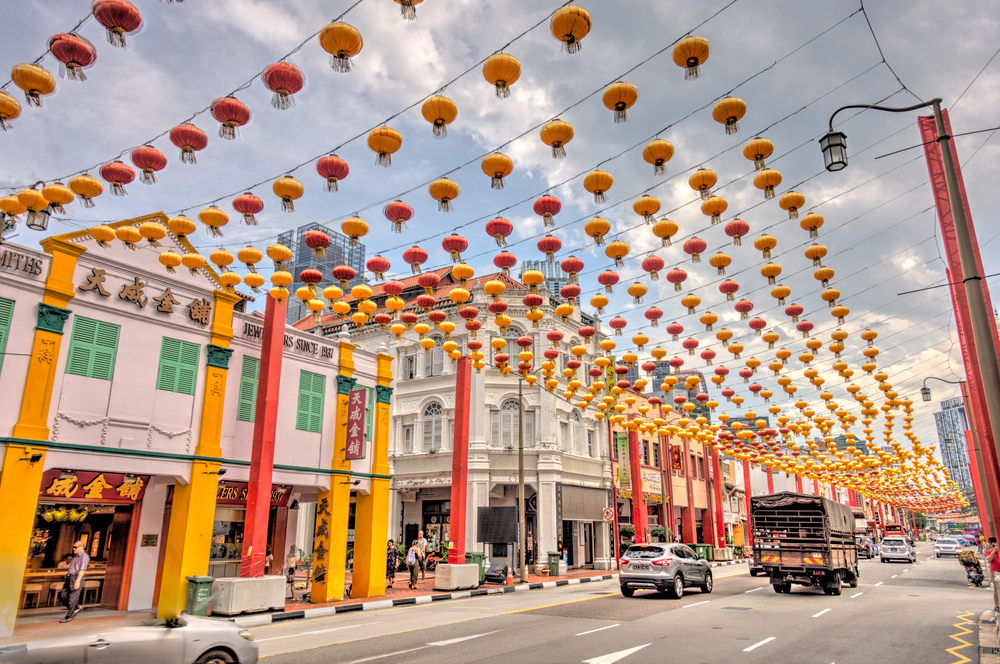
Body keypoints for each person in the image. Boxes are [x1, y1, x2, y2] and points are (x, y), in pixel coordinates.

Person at [58, 541, 89, 623]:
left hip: (76, 577)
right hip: (69, 577)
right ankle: (76, 608)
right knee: (63, 596)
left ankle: (68, 616)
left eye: (75, 547)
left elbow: (82, 570)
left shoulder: (84, 557)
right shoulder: (75, 556)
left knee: (72, 598)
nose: (73, 549)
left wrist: (77, 581)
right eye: (73, 547)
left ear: (81, 547)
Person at [987, 537, 1000, 617]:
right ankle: (997, 605)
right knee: (996, 589)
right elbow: (989, 559)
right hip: (994, 572)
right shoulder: (988, 552)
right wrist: (993, 552)